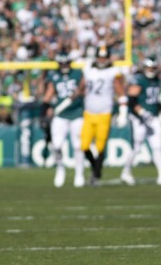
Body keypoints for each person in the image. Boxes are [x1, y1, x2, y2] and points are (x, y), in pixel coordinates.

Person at [119, 57, 161, 186]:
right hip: (139, 118)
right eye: (149, 68)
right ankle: (126, 172)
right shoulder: (139, 80)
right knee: (136, 148)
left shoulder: (156, 80)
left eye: (153, 68)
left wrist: (159, 112)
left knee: (157, 146)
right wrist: (142, 112)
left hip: (153, 117)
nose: (151, 70)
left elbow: (157, 100)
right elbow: (131, 100)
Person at [78, 44, 124, 186]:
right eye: (100, 57)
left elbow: (120, 90)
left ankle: (96, 175)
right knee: (84, 145)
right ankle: (95, 168)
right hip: (89, 113)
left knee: (100, 147)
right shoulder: (88, 70)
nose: (102, 60)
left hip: (104, 113)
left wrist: (123, 111)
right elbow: (81, 87)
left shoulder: (113, 71)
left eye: (104, 57)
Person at [43, 52, 85, 188]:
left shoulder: (78, 73)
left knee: (78, 146)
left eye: (66, 63)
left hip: (76, 112)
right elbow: (48, 94)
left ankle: (79, 173)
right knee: (57, 145)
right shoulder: (54, 75)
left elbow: (83, 89)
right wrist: (47, 107)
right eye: (62, 63)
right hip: (60, 114)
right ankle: (60, 169)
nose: (64, 66)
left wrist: (74, 97)